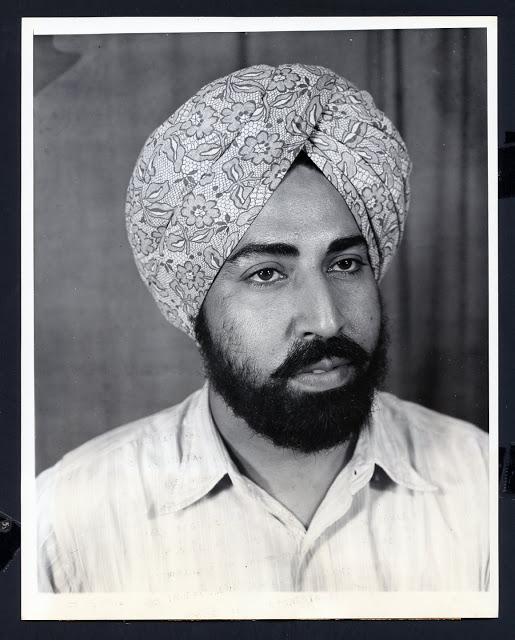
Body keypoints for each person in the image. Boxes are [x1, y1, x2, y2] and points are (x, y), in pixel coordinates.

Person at [37, 63, 489, 593]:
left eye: (345, 264)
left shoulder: (479, 480)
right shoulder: (67, 521)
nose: (326, 319)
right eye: (268, 274)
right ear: (193, 303)